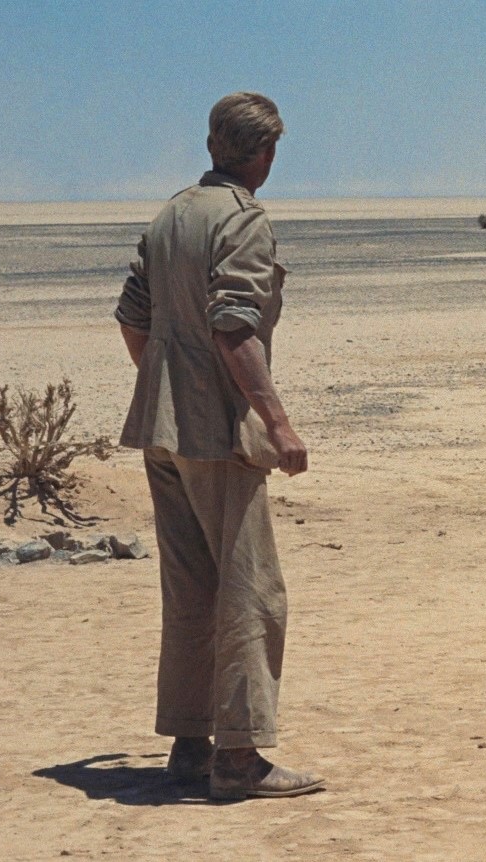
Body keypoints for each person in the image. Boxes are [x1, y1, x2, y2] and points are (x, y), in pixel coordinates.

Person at [114, 92, 323, 798]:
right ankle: (237, 759)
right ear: (264, 154)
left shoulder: (170, 214)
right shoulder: (242, 219)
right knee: (250, 591)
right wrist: (278, 423)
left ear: (212, 146)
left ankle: (189, 744)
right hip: (216, 435)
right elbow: (235, 327)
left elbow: (134, 319)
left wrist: (167, 386)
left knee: (190, 590)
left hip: (162, 430)